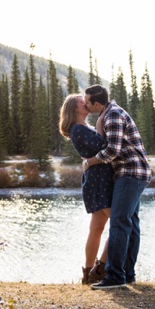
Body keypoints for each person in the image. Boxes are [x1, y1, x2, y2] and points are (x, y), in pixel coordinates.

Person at [82, 84, 152, 289]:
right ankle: (127, 274)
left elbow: (112, 150)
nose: (86, 106)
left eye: (87, 102)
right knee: (130, 222)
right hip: (133, 173)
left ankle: (114, 276)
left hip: (130, 173)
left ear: (96, 103)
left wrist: (90, 162)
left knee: (119, 222)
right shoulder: (109, 113)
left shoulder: (112, 115)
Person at [58, 93, 114, 285]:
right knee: (119, 223)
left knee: (97, 228)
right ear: (75, 109)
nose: (87, 104)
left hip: (99, 179)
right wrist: (100, 126)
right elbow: (105, 145)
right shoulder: (77, 130)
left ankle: (88, 273)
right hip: (98, 182)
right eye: (83, 103)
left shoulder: (84, 128)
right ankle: (100, 268)